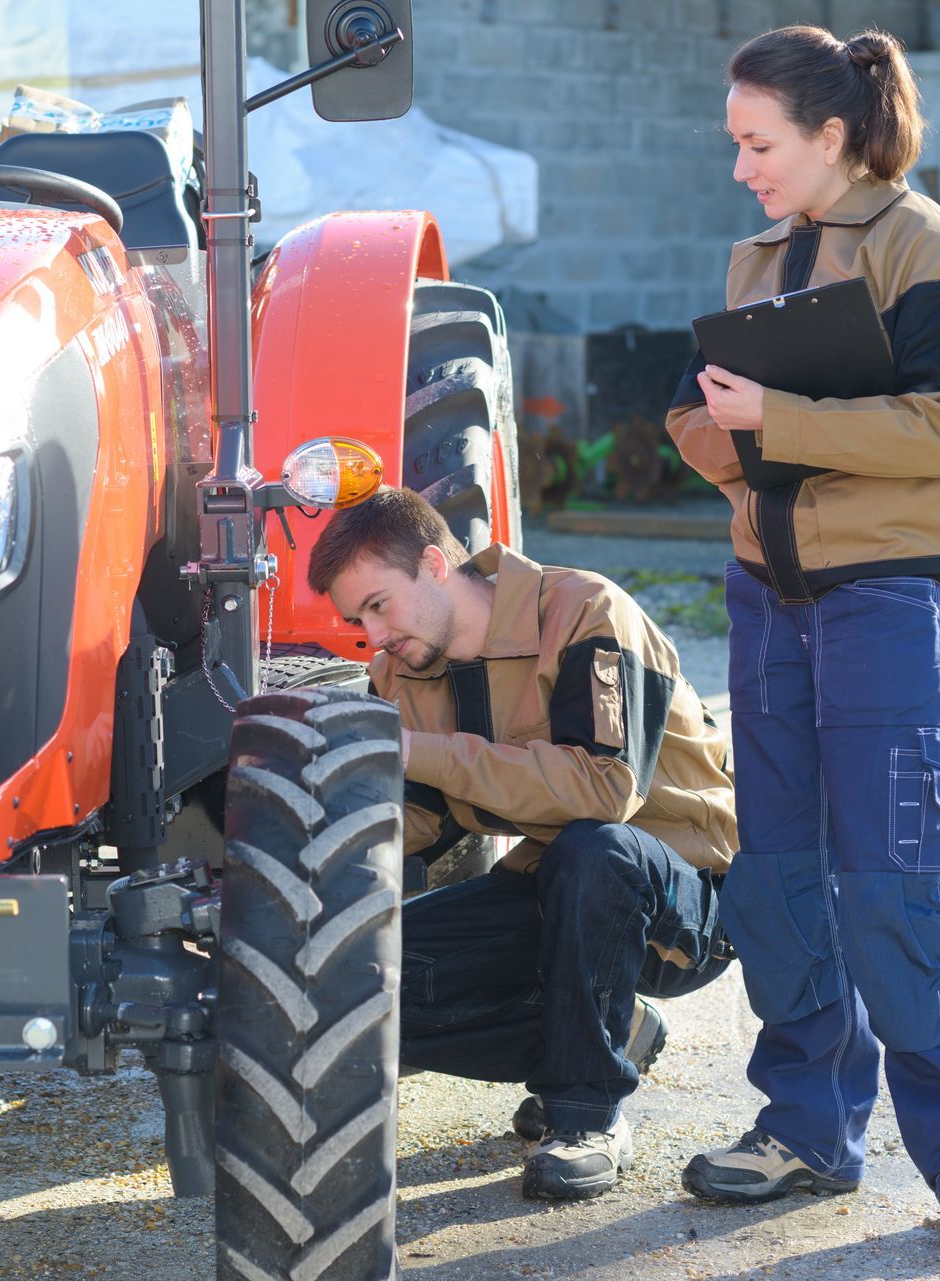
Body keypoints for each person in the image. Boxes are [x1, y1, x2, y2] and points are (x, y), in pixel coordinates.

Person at [665, 24, 940, 1256]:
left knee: (899, 879)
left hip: (888, 601)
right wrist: (725, 434)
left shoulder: (929, 245)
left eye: (758, 145)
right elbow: (697, 414)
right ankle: (806, 1128)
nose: (741, 169)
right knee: (776, 878)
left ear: (832, 136)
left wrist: (783, 416)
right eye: (734, 145)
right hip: (769, 598)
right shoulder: (755, 256)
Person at [305, 487, 738, 1201]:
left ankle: (587, 1115)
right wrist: (300, 852)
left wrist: (416, 749)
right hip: (554, 885)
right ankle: (607, 1029)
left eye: (378, 605)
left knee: (595, 850)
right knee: (349, 976)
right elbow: (413, 820)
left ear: (436, 564)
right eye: (358, 619)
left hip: (683, 899)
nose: (372, 635)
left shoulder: (586, 613)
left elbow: (605, 790)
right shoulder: (402, 674)